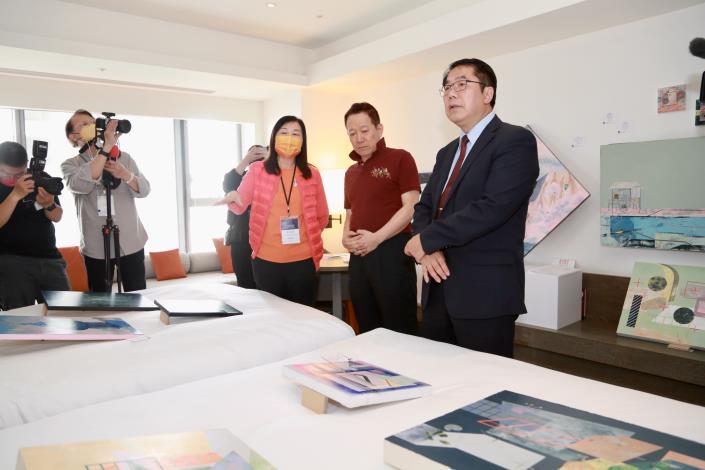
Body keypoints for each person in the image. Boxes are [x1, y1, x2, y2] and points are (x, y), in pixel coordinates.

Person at [404, 58, 539, 358]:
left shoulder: (515, 140)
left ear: (488, 93)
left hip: (485, 294)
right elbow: (424, 208)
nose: (451, 93)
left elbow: (493, 207)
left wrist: (427, 239)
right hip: (437, 289)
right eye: (447, 87)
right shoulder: (446, 153)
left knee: (486, 382)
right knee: (437, 377)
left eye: (462, 84)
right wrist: (427, 249)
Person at [217, 116, 328, 306]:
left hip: (304, 262)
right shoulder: (257, 170)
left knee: (304, 316)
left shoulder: (312, 174)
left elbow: (322, 216)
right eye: (284, 133)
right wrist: (233, 196)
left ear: (303, 140)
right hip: (266, 262)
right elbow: (240, 204)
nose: (289, 138)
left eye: (296, 134)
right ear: (274, 137)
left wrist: (306, 238)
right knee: (273, 317)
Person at [342, 102, 420, 334]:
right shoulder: (350, 172)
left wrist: (376, 238)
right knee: (367, 325)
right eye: (352, 133)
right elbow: (350, 213)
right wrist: (345, 237)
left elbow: (410, 206)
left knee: (399, 326)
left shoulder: (400, 158)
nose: (359, 138)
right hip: (359, 257)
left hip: (392, 251)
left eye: (364, 130)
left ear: (379, 129)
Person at [62, 109, 151, 292]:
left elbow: (145, 190)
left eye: (93, 122)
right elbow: (81, 184)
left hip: (130, 240)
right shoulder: (71, 165)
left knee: (138, 297)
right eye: (84, 124)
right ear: (73, 136)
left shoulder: (124, 158)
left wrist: (126, 174)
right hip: (96, 246)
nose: (91, 126)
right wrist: (106, 148)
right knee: (100, 301)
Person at [0, 141, 70, 310]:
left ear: (26, 166)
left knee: (64, 312)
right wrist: (15, 194)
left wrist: (49, 204)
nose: (12, 179)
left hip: (50, 258)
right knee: (19, 317)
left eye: (19, 174)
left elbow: (57, 216)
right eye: (6, 173)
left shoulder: (39, 177)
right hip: (12, 260)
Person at [222, 144, 267, 289]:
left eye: (260, 154)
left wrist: (268, 160)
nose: (257, 158)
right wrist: (246, 160)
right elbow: (228, 185)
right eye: (253, 154)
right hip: (241, 240)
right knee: (245, 284)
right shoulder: (240, 177)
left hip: (265, 240)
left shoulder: (272, 178)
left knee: (266, 285)